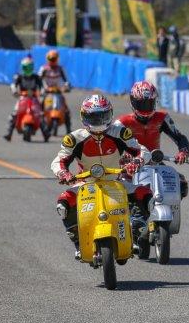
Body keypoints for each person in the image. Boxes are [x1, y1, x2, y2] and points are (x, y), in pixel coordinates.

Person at [51, 94, 151, 259]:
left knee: (146, 195)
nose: (98, 121)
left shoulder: (120, 133)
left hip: (115, 182)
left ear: (110, 114)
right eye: (93, 117)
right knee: (63, 203)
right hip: (85, 183)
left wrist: (137, 162)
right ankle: (78, 242)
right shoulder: (74, 138)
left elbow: (143, 150)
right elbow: (58, 161)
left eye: (102, 116)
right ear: (84, 116)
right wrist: (63, 173)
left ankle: (134, 234)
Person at [115, 81, 189, 198]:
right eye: (142, 104)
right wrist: (121, 157)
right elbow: (111, 144)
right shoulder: (122, 122)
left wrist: (183, 152)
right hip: (131, 165)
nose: (146, 108)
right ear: (133, 102)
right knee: (122, 188)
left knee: (181, 184)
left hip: (155, 162)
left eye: (149, 104)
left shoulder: (163, 118)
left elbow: (179, 137)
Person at [4, 57, 48, 141]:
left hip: (34, 98)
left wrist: (43, 92)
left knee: (40, 114)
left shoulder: (36, 77)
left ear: (32, 67)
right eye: (26, 67)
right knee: (14, 113)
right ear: (22, 68)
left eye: (29, 67)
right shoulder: (19, 77)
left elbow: (42, 86)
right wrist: (14, 91)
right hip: (23, 98)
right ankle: (9, 133)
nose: (28, 69)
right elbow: (13, 85)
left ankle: (46, 134)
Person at [39, 49, 72, 133]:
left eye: (54, 59)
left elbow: (66, 80)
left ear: (57, 59)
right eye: (51, 59)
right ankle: (42, 125)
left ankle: (68, 129)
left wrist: (67, 86)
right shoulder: (43, 68)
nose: (52, 61)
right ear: (47, 59)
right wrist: (43, 88)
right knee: (40, 107)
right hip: (47, 92)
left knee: (66, 109)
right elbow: (39, 79)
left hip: (58, 92)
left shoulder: (60, 69)